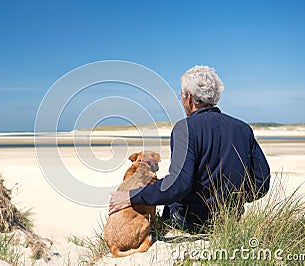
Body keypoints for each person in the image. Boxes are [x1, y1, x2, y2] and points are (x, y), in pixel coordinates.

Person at [109, 65, 270, 233]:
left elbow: (178, 184)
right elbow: (262, 182)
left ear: (189, 98)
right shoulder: (243, 128)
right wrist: (233, 201)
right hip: (230, 221)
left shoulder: (184, 129)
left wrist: (132, 196)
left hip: (189, 222)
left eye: (182, 96)